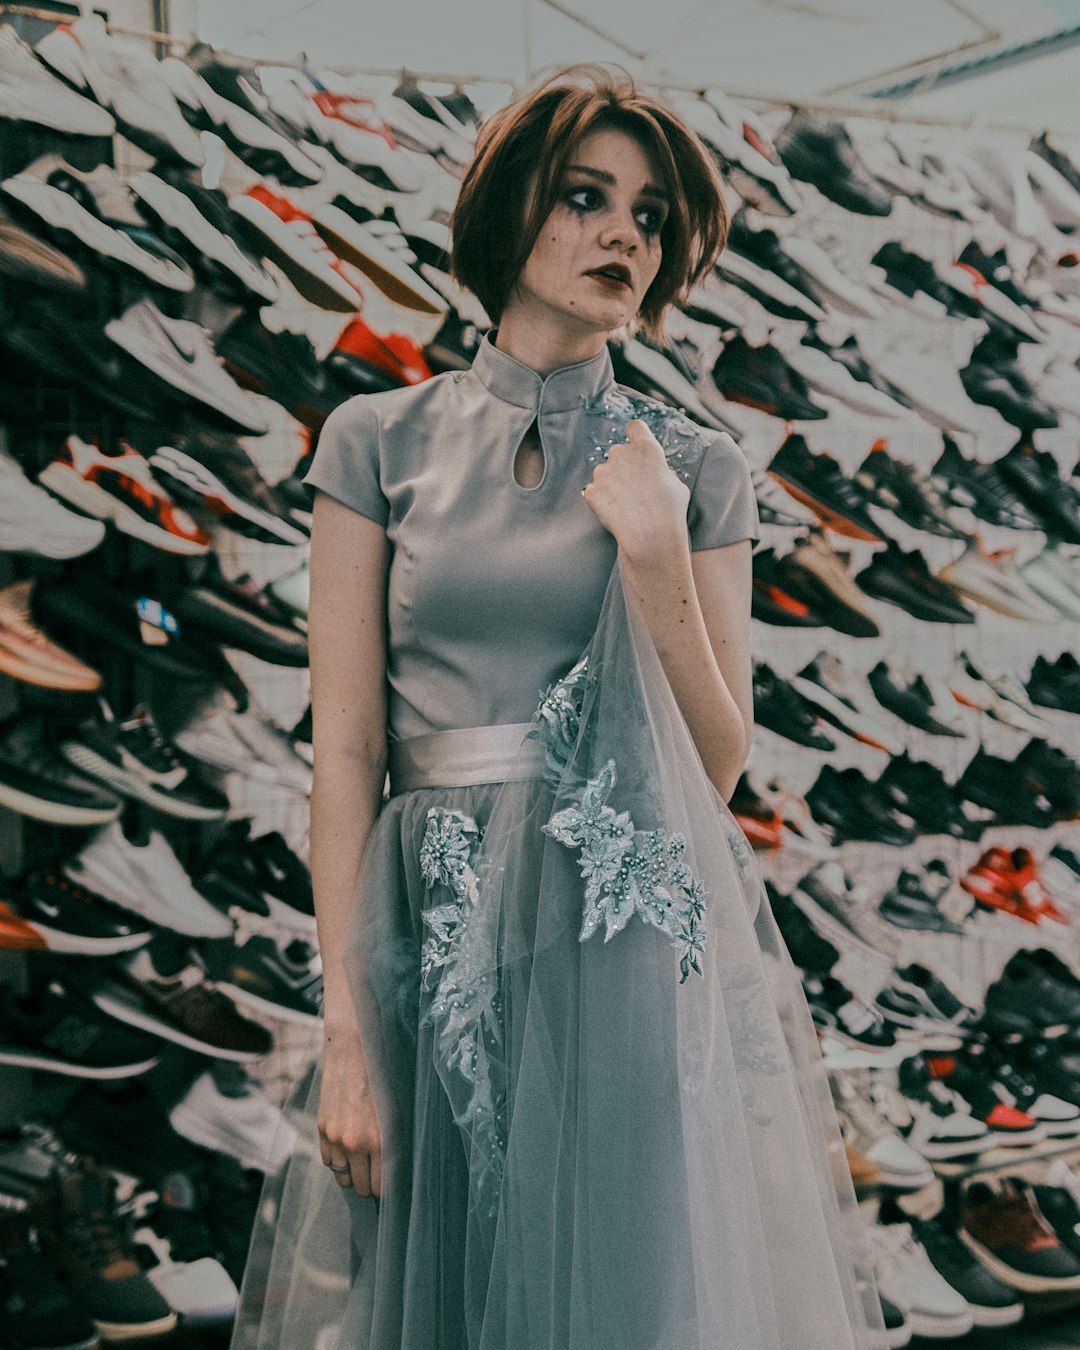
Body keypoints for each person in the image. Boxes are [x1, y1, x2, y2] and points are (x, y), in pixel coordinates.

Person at [232, 65, 885, 1350]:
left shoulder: (694, 463)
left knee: (623, 1296)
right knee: (437, 1299)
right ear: (508, 210)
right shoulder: (376, 440)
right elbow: (348, 749)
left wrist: (655, 559)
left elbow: (720, 759)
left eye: (649, 217)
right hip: (427, 932)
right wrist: (346, 1026)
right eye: (587, 198)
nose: (623, 236)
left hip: (619, 940)